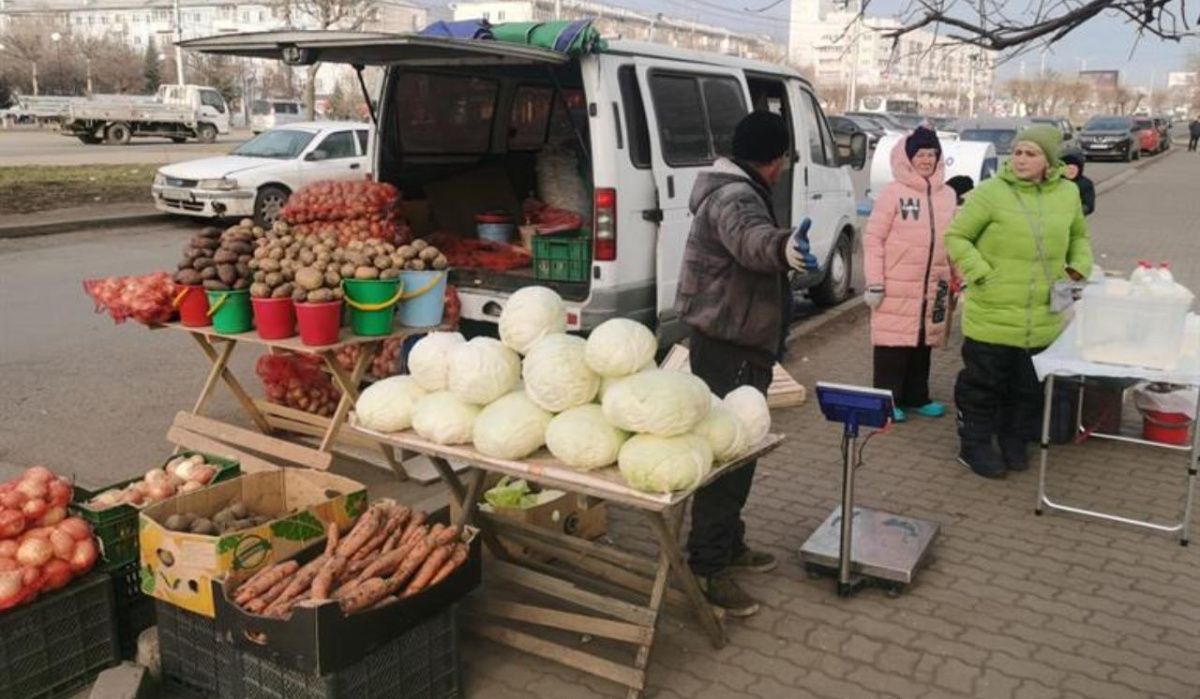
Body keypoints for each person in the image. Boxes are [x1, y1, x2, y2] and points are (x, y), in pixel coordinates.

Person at [675, 110, 819, 617]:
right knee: (729, 457)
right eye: (783, 159)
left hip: (733, 343)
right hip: (728, 346)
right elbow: (751, 241)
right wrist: (787, 249)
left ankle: (728, 544)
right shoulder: (737, 196)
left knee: (741, 452)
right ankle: (707, 568)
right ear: (775, 160)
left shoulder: (731, 184)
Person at [944, 125, 1093, 479]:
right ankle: (974, 445)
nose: (1021, 159)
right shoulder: (991, 193)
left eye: (1032, 153)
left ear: (1049, 160)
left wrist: (1077, 269)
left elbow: (1079, 237)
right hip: (993, 313)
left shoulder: (1068, 194)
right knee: (983, 387)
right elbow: (956, 236)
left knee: (1027, 388)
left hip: (1041, 315)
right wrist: (981, 272)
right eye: (1018, 152)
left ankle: (1014, 440)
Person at [863, 127, 956, 423]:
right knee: (893, 345)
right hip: (895, 284)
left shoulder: (948, 195)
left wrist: (959, 277)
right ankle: (888, 401)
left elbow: (956, 240)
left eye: (932, 154)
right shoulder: (893, 193)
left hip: (934, 285)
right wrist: (875, 281)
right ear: (908, 157)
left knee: (922, 342)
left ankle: (917, 396)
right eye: (921, 154)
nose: (927, 160)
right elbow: (873, 238)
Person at [1060, 149, 1096, 216]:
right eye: (1068, 168)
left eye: (1074, 169)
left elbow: (1089, 205)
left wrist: (1076, 212)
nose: (1071, 171)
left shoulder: (1085, 184)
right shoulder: (1056, 182)